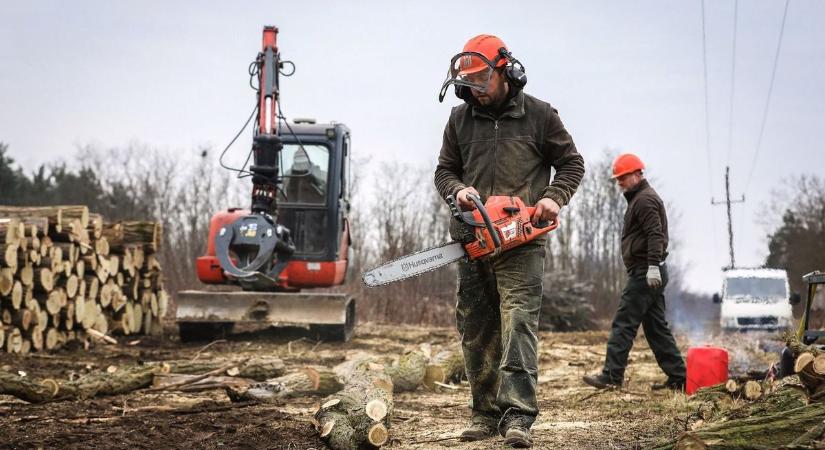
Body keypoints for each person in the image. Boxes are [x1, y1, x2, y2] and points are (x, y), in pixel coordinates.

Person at [434, 34, 585, 448]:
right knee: (476, 325)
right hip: (471, 237)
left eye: (482, 80)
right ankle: (485, 412)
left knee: (518, 321)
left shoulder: (539, 115)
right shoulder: (459, 120)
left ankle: (517, 415)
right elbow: (444, 171)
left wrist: (554, 198)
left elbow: (571, 163)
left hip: (521, 240)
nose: (476, 91)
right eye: (470, 83)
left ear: (505, 71)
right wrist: (458, 192)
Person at [582, 153, 686, 391]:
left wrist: (651, 266)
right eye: (617, 179)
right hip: (649, 271)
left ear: (637, 174)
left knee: (623, 323)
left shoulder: (645, 200)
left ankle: (611, 376)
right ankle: (680, 377)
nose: (619, 182)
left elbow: (655, 235)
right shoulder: (640, 198)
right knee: (656, 328)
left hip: (646, 273)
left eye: (623, 177)